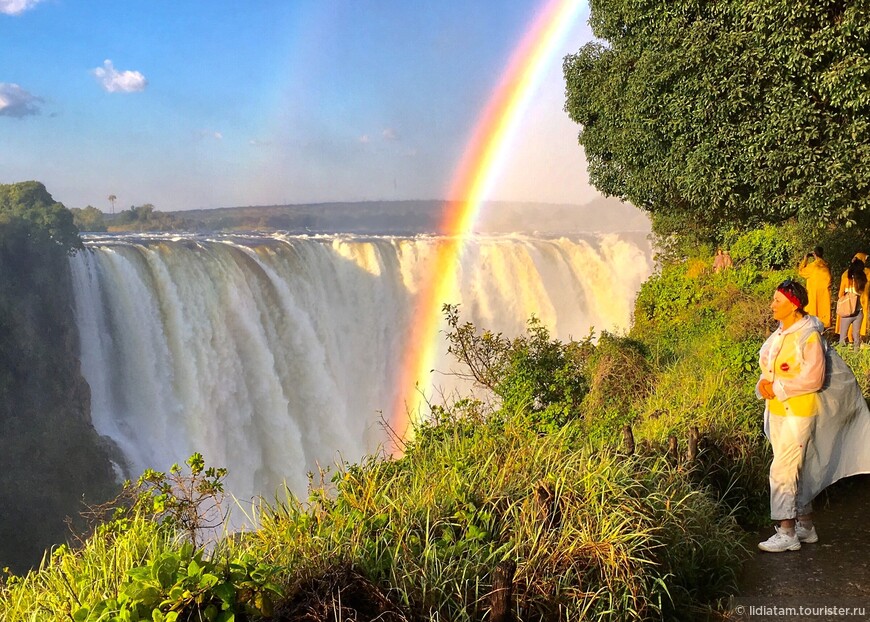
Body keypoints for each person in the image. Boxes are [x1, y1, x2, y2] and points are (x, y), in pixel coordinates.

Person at [756, 279, 870, 553]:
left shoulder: (809, 336)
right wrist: (764, 383)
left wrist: (778, 388)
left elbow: (814, 378)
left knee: (782, 470)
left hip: (797, 412)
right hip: (780, 410)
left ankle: (786, 531)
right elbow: (771, 368)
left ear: (793, 305)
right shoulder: (783, 332)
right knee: (800, 467)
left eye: (777, 301)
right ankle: (805, 526)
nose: (772, 305)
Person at [837, 257, 867, 351]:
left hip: (847, 311)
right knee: (856, 336)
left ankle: (841, 356)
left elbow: (840, 295)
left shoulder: (847, 280)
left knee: (843, 336)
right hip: (859, 312)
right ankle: (856, 355)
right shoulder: (863, 281)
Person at [798, 246, 832, 328]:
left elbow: (801, 271)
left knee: (812, 317)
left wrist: (805, 259)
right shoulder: (826, 266)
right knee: (822, 316)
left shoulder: (813, 266)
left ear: (814, 254)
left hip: (813, 295)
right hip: (824, 296)